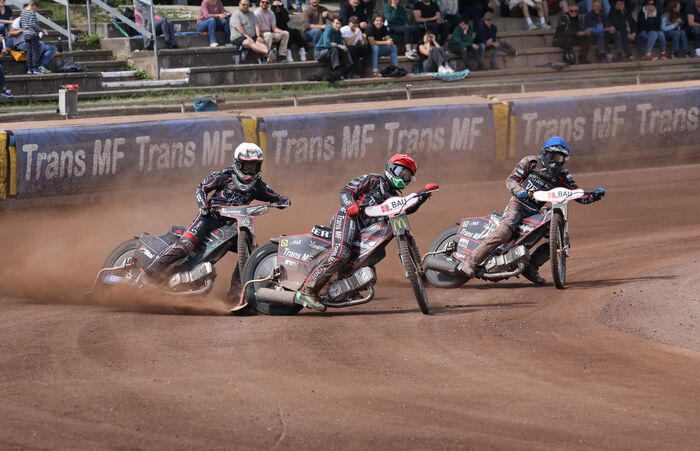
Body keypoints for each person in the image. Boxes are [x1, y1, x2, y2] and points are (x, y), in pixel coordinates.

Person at [295, 154, 437, 311]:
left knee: (370, 260)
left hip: (366, 230)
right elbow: (346, 191)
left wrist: (423, 194)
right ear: (391, 168)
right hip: (349, 218)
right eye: (401, 172)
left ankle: (343, 288)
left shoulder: (395, 198)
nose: (404, 177)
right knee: (341, 254)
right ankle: (307, 291)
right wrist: (351, 205)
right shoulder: (373, 180)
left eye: (408, 176)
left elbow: (408, 208)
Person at [458, 136, 606, 284]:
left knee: (561, 240)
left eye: (560, 158)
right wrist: (519, 191)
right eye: (553, 156)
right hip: (518, 204)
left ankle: (531, 267)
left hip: (536, 212)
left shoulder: (563, 175)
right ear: (545, 153)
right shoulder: (530, 162)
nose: (555, 162)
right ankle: (470, 262)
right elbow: (511, 180)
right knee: (504, 232)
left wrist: (594, 196)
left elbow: (577, 195)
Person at [145, 143, 290, 286]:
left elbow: (276, 197)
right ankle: (149, 272)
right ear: (238, 163)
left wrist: (283, 200)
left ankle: (236, 291)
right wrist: (203, 205)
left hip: (232, 226)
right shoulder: (223, 176)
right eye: (247, 166)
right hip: (209, 218)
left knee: (250, 252)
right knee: (186, 245)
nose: (250, 170)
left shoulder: (258, 185)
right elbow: (201, 187)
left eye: (254, 166)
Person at [19, 0, 45, 75]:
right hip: (33, 35)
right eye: (36, 8)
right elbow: (32, 24)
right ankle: (35, 69)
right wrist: (41, 30)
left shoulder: (23, 11)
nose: (36, 10)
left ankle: (29, 69)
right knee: (35, 52)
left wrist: (25, 29)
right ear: (33, 5)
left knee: (29, 53)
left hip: (26, 35)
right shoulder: (31, 13)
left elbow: (20, 23)